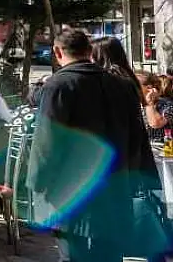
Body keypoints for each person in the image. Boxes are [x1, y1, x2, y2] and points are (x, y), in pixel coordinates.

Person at [27, 29, 160, 262]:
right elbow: (137, 137)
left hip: (71, 191)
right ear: (89, 52)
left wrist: (36, 182)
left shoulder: (59, 85)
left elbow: (46, 141)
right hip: (116, 186)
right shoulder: (123, 85)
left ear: (57, 52)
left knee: (72, 254)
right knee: (110, 254)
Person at [140, 72, 173, 143]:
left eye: (135, 86)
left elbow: (155, 123)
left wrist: (149, 103)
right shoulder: (136, 104)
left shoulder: (168, 105)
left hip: (162, 151)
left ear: (149, 88)